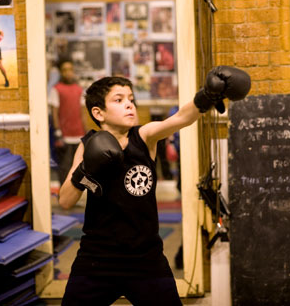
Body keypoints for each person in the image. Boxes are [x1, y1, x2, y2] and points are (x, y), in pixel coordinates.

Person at [58, 67, 251, 306]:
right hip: (97, 258)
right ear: (99, 113)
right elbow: (65, 201)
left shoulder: (145, 136)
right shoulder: (87, 146)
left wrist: (207, 96)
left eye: (131, 99)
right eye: (119, 100)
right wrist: (85, 170)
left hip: (145, 259)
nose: (129, 105)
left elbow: (181, 118)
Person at [48, 58, 87, 187]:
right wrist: (58, 132)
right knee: (64, 168)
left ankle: (75, 196)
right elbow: (55, 112)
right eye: (64, 70)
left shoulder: (78, 89)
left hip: (79, 134)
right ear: (60, 72)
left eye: (70, 70)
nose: (68, 73)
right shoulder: (56, 89)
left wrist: (86, 132)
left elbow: (82, 113)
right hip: (64, 135)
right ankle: (64, 196)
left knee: (79, 168)